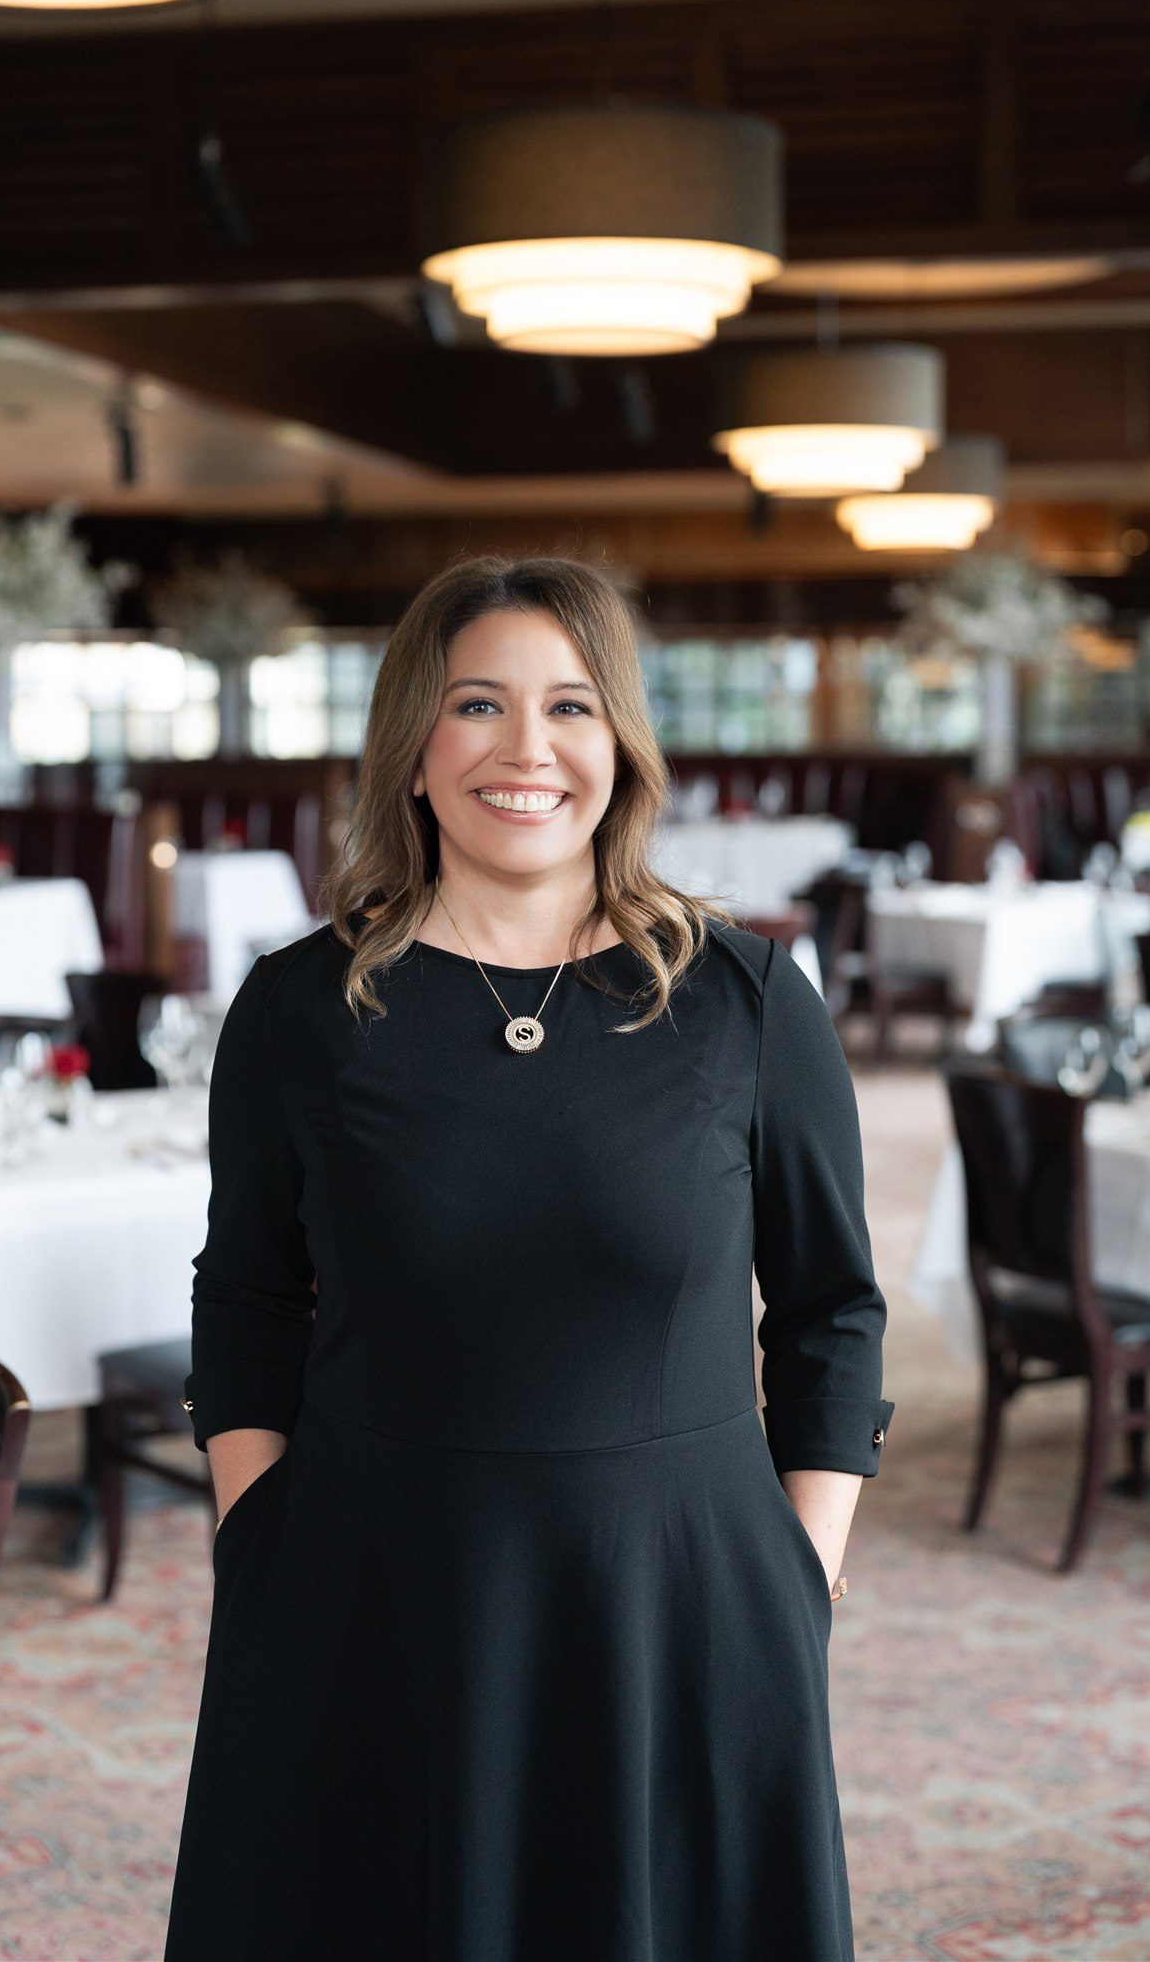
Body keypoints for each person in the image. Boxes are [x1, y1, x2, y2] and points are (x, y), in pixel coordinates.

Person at [163, 555, 895, 1961]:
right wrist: (257, 1537)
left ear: (618, 744)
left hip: (681, 1603)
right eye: (477, 706)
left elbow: (829, 1308)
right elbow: (244, 1294)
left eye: (569, 707)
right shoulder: (300, 1009)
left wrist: (798, 1572)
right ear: (413, 752)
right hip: (372, 1591)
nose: (525, 750)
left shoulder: (741, 1000)